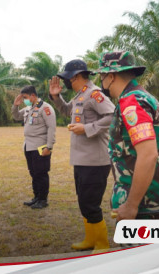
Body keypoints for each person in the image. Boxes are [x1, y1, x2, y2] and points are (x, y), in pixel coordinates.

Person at [94, 51, 159, 221]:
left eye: (102, 76)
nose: (101, 81)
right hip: (148, 196)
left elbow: (148, 155)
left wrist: (131, 205)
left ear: (111, 76)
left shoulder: (132, 102)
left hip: (143, 202)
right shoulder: (140, 97)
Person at [49, 59, 115, 253]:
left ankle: (102, 245)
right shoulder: (81, 95)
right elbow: (68, 111)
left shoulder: (95, 94)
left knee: (90, 204)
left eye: (67, 78)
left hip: (95, 160)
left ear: (76, 77)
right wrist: (56, 97)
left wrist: (86, 128)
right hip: (82, 159)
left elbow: (112, 116)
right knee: (84, 202)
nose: (65, 82)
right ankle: (90, 239)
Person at [12, 85, 56, 209]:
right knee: (33, 173)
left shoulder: (46, 108)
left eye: (25, 97)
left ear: (33, 95)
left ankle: (43, 200)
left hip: (41, 146)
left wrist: (49, 146)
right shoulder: (28, 108)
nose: (24, 100)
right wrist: (15, 105)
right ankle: (36, 197)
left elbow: (51, 128)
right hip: (28, 146)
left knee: (41, 173)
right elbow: (16, 116)